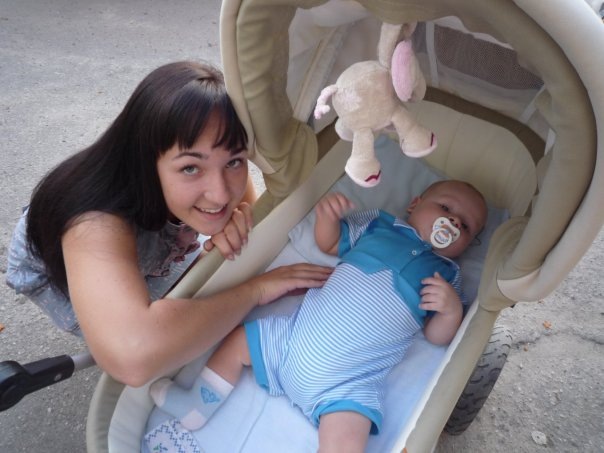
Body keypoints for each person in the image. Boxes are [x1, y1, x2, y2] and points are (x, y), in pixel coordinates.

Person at [5, 61, 333, 387]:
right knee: (147, 330)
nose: (220, 194)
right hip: (60, 270)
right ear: (146, 162)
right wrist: (254, 291)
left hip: (155, 250)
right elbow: (132, 356)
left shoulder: (196, 187)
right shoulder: (94, 223)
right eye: (191, 168)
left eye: (234, 161)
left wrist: (236, 222)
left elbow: (247, 211)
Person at [149, 179, 488, 451]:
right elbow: (330, 244)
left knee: (347, 437)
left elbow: (436, 336)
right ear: (415, 204)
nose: (452, 223)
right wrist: (327, 219)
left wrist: (450, 310)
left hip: (349, 384)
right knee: (240, 341)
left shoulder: (448, 275)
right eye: (445, 208)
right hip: (291, 343)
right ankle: (197, 406)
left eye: (466, 226)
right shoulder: (381, 225)